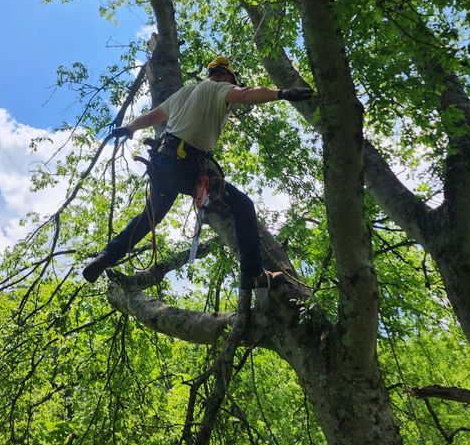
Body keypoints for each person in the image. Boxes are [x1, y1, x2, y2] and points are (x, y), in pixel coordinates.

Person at [82, 55, 313, 288]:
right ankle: (253, 274)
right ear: (224, 76)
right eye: (233, 81)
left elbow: (152, 117)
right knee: (244, 206)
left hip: (162, 165)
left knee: (150, 217)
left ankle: (105, 257)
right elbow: (244, 95)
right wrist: (281, 93)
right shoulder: (219, 88)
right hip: (187, 167)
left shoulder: (184, 92)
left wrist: (129, 128)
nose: (234, 86)